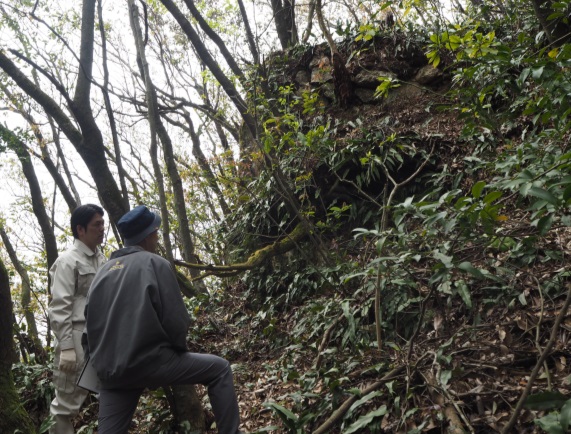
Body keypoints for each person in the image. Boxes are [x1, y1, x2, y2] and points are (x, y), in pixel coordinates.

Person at [84, 205, 241, 434]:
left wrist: (100, 365)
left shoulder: (101, 273)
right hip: (153, 362)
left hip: (112, 373)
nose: (157, 238)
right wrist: (176, 352)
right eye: (156, 233)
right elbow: (176, 321)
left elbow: (88, 330)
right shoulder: (155, 263)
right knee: (220, 369)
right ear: (148, 236)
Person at [48, 204, 106, 434]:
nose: (102, 228)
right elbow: (59, 307)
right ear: (80, 230)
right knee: (65, 406)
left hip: (101, 338)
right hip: (75, 337)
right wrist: (67, 348)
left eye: (103, 223)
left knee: (110, 394)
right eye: (97, 224)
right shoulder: (67, 261)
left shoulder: (102, 259)